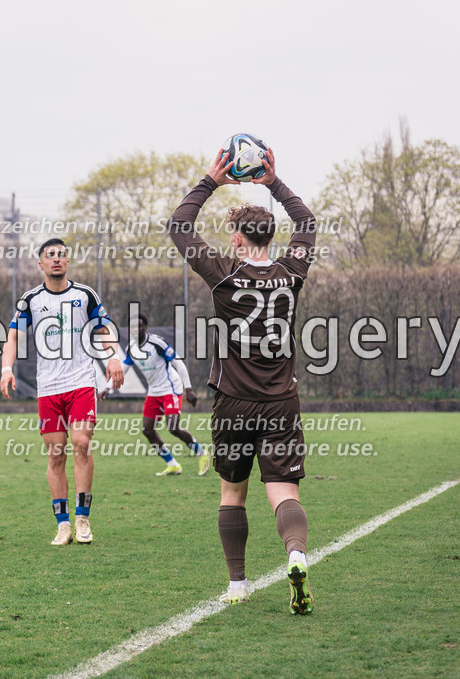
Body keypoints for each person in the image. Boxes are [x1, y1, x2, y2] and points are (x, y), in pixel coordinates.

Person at [167, 148, 316, 614]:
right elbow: (307, 223)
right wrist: (273, 182)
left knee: (233, 492)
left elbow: (179, 226)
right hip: (281, 403)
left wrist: (211, 181)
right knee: (283, 493)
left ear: (235, 238)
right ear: (271, 235)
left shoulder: (224, 274)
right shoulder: (292, 272)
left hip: (233, 403)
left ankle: (237, 584)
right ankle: (295, 553)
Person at [0, 238, 124, 546]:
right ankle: (63, 524)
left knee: (81, 443)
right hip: (49, 389)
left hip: (81, 382)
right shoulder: (30, 299)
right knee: (55, 455)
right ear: (41, 264)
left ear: (67, 262)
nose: (57, 259)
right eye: (50, 256)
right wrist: (6, 368)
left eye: (62, 255)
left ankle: (82, 519)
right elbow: (13, 337)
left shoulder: (85, 296)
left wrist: (113, 355)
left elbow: (104, 327)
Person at [99, 313, 210, 476]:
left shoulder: (157, 343)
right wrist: (108, 387)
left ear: (145, 328)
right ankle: (173, 465)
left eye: (139, 326)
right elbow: (124, 368)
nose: (136, 330)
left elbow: (178, 363)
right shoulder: (131, 348)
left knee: (173, 428)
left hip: (170, 388)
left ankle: (202, 454)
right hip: (154, 392)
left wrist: (189, 389)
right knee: (147, 430)